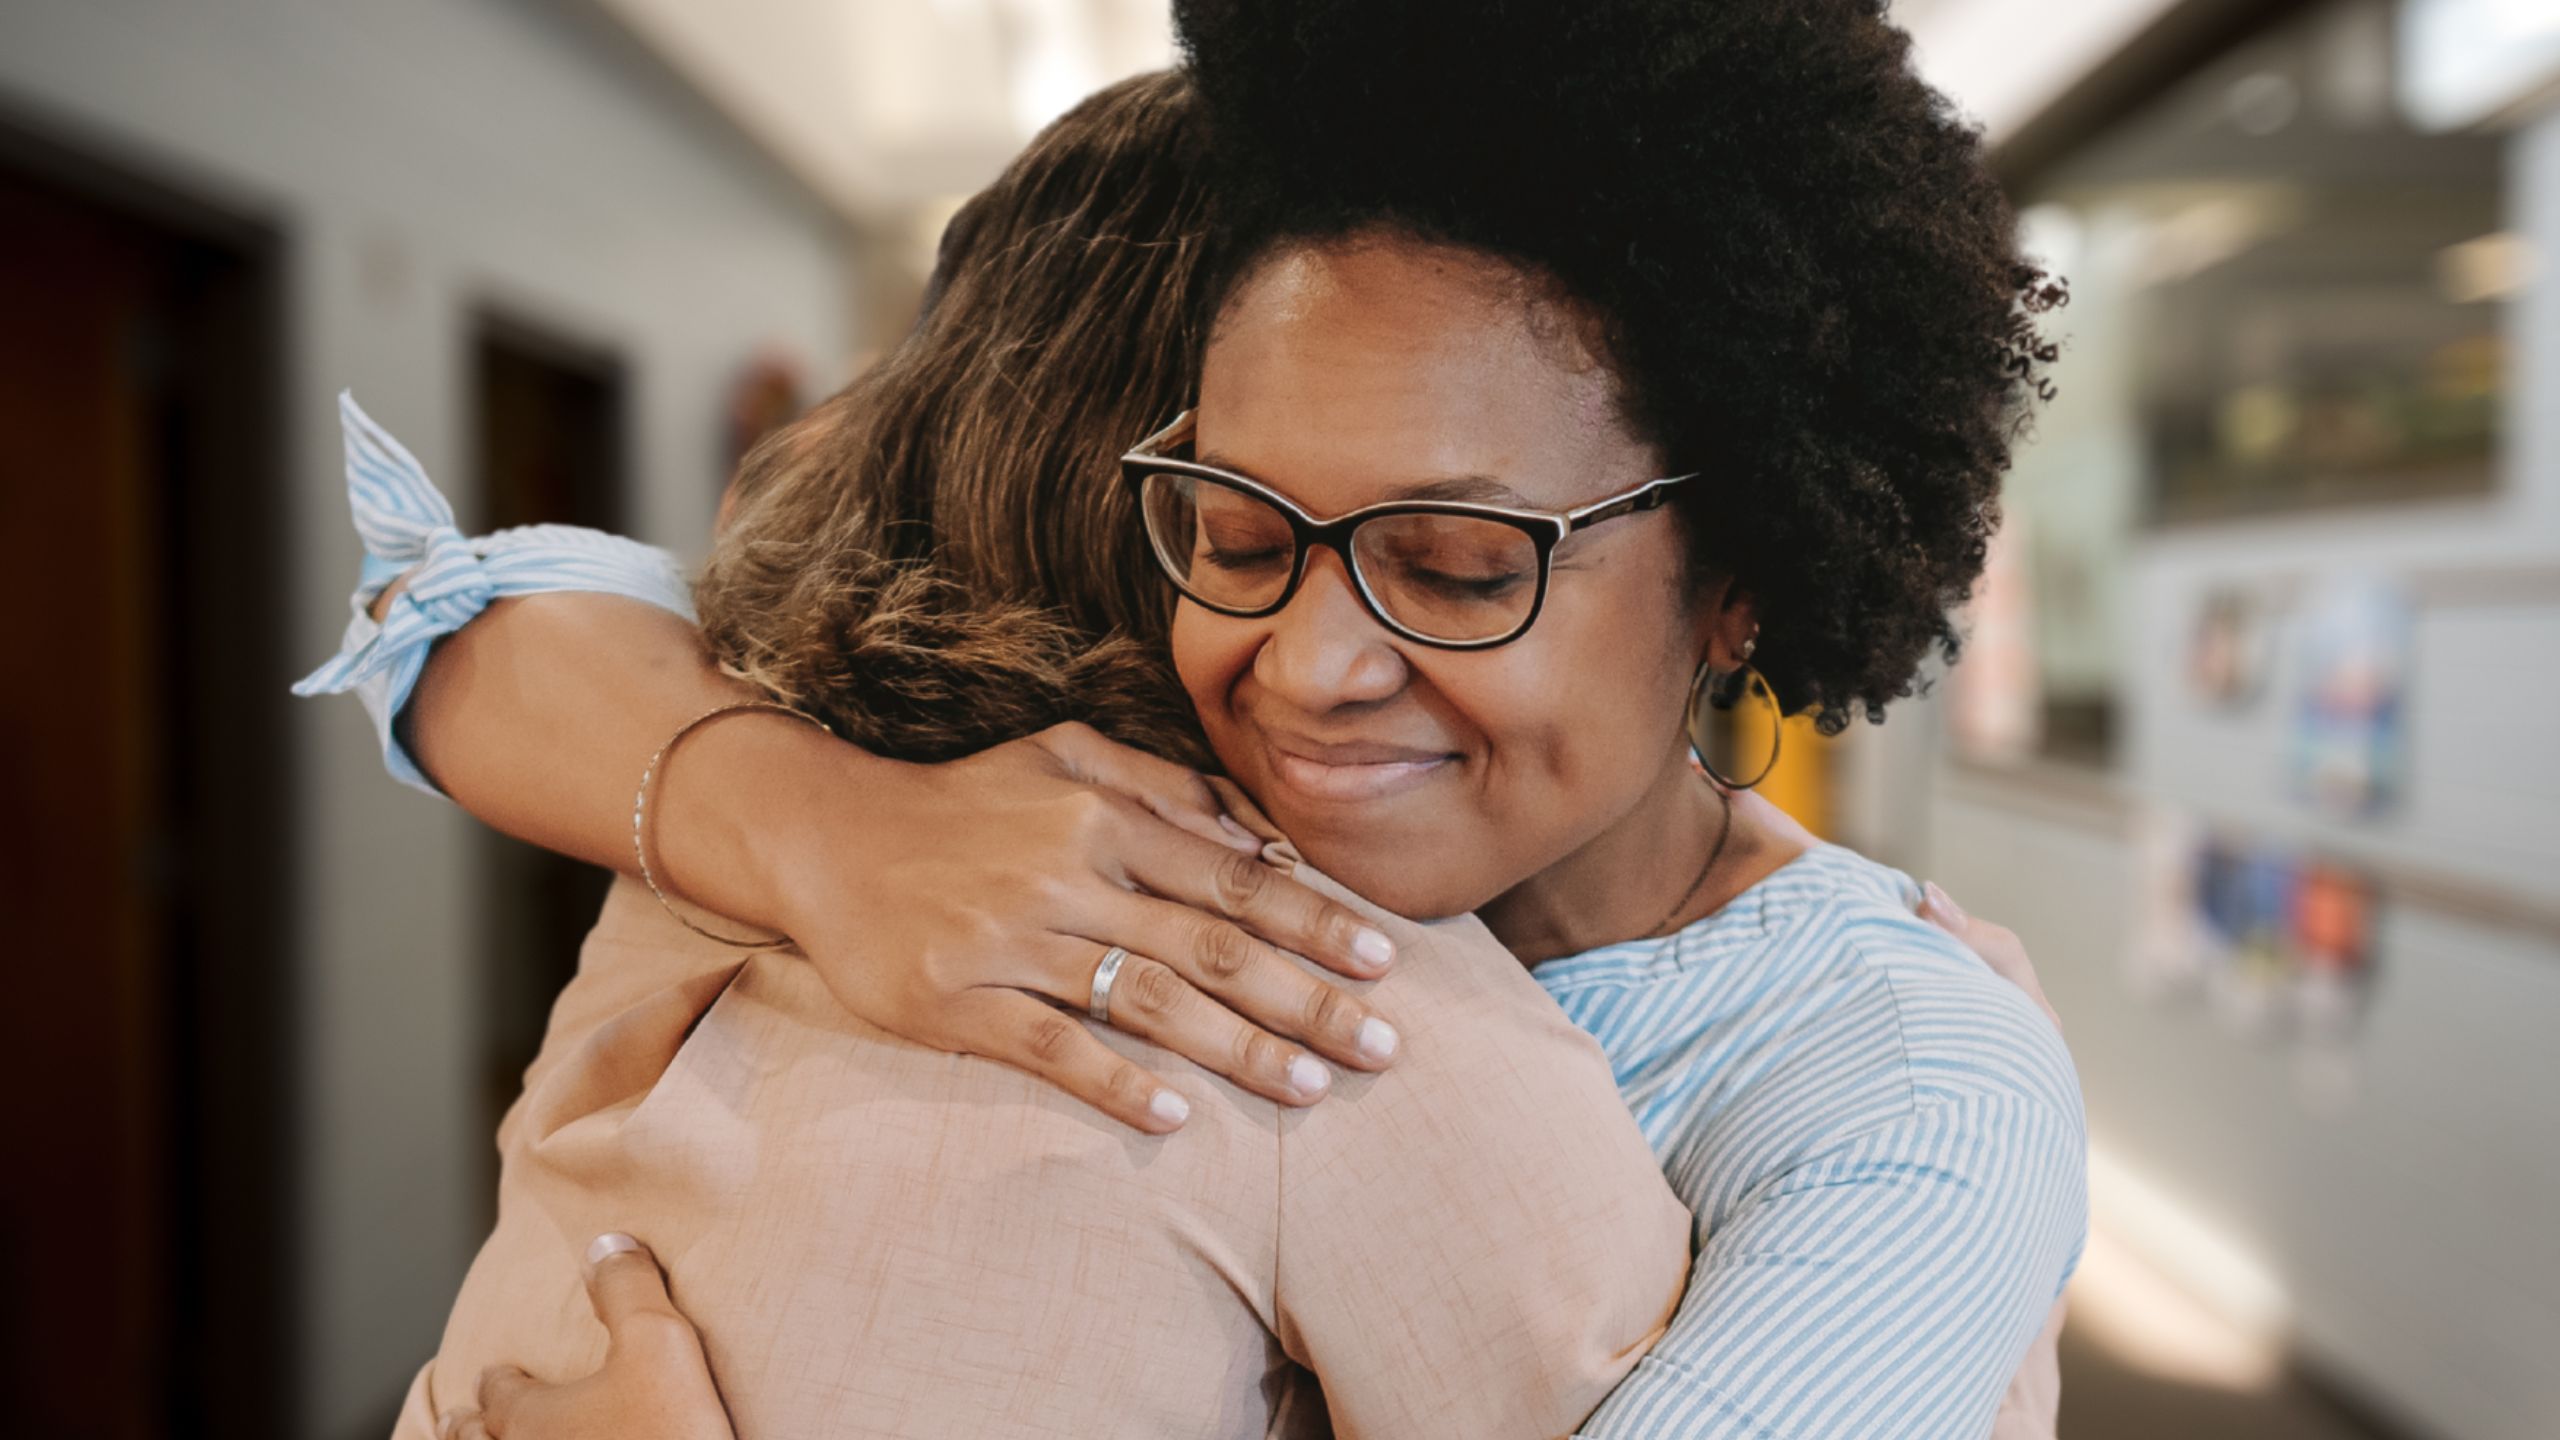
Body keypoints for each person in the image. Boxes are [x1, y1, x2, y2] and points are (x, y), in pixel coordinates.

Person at [307, 0, 2086, 1432]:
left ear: (1745, 576)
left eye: (1462, 569)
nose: (1310, 667)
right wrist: (820, 826)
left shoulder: (1892, 1077)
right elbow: (444, 617)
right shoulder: (1015, 825)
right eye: (1235, 536)